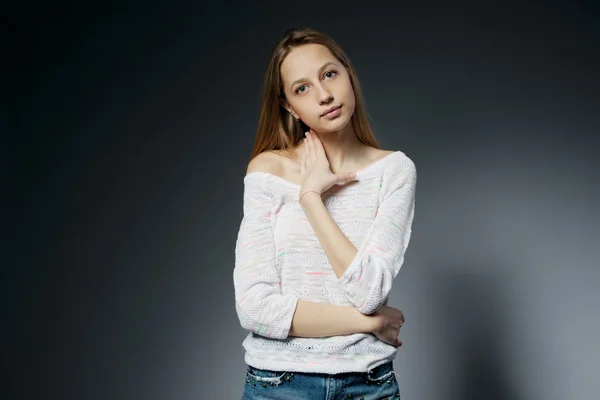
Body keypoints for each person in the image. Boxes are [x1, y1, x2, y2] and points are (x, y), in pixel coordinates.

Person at [233, 26, 417, 400]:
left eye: (329, 74)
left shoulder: (394, 172)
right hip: (279, 386)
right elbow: (254, 309)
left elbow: (369, 292)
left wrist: (312, 199)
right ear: (287, 105)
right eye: (302, 89)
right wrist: (370, 323)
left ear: (348, 75)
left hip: (368, 385)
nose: (324, 95)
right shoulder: (267, 172)